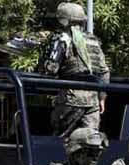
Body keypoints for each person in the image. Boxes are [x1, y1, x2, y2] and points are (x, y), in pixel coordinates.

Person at [41, 2, 110, 137]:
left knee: (61, 139)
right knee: (90, 140)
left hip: (71, 96)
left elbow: (51, 69)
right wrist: (102, 97)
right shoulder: (93, 41)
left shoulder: (63, 38)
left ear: (63, 20)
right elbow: (104, 71)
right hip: (93, 99)